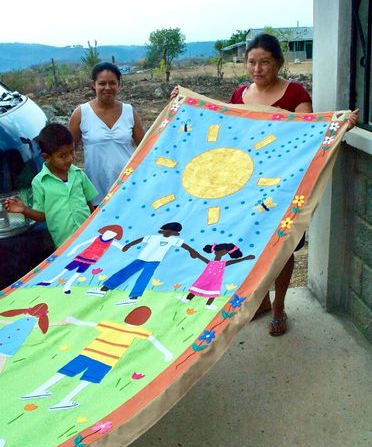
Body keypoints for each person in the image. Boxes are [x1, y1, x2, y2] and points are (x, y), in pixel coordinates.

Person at [171, 33, 359, 336]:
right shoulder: (239, 95)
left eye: (265, 62)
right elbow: (225, 132)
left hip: (285, 187)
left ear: (278, 63)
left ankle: (279, 306)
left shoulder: (295, 92)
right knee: (252, 243)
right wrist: (186, 103)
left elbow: (309, 133)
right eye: (252, 62)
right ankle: (261, 301)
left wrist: (337, 124)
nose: (257, 69)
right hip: (246, 186)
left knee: (281, 247)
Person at [21, 306, 173, 410]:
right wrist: (167, 353)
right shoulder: (141, 331)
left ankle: (40, 389)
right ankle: (65, 400)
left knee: (65, 372)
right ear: (144, 321)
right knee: (88, 380)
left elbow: (89, 324)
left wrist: (75, 321)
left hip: (89, 353)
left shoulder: (110, 325)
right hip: (107, 359)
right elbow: (154, 341)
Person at [4, 124, 98, 248]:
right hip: (64, 245)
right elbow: (42, 216)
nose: (70, 159)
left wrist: (97, 225)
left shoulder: (79, 174)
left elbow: (89, 204)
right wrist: (24, 210)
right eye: (62, 156)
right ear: (46, 157)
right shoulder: (39, 182)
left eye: (72, 152)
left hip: (89, 236)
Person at [69, 62, 145, 206]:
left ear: (119, 85)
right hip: (96, 190)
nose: (108, 88)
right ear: (93, 85)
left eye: (112, 83)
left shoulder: (129, 111)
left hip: (128, 186)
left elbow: (146, 146)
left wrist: (176, 101)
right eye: (102, 83)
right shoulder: (81, 113)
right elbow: (67, 151)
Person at [86, 222, 200, 305]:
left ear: (175, 233)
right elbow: (140, 240)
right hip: (142, 258)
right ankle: (104, 289)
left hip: (154, 261)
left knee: (144, 278)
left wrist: (192, 252)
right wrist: (128, 245)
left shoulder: (174, 240)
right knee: (124, 273)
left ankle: (133, 297)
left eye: (171, 232)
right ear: (163, 230)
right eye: (166, 230)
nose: (168, 232)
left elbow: (186, 247)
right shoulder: (153, 237)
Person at [178, 243, 255, 310]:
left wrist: (245, 258)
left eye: (224, 252)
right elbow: (200, 257)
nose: (221, 253)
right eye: (221, 251)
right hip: (205, 278)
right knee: (197, 288)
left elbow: (233, 261)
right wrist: (196, 254)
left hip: (215, 280)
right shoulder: (211, 262)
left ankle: (208, 305)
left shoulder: (222, 263)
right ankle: (187, 299)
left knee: (213, 292)